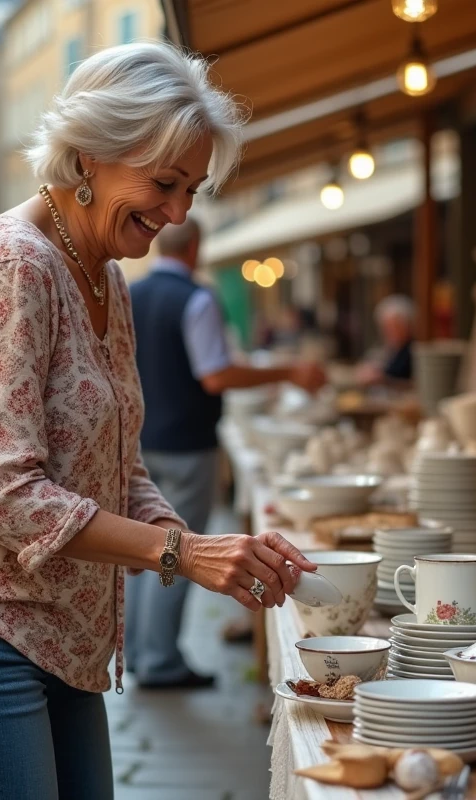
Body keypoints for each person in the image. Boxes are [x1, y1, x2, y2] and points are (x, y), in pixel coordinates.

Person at [0, 42, 316, 800]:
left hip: (55, 634)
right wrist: (180, 552)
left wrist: (214, 554)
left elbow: (119, 467)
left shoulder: (101, 272)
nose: (178, 212)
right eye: (165, 183)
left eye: (192, 191)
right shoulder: (16, 266)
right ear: (88, 158)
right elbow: (6, 493)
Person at [126, 218, 327, 688]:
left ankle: (137, 650)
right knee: (179, 549)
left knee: (140, 549)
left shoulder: (130, 294)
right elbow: (215, 375)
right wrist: (287, 373)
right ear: (195, 247)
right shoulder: (196, 297)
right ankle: (159, 659)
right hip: (186, 441)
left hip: (137, 440)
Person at [356, 294, 415, 386]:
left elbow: (413, 382)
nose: (388, 332)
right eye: (385, 327)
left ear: (407, 326)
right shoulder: (391, 349)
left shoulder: (413, 351)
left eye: (394, 327)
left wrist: (382, 379)